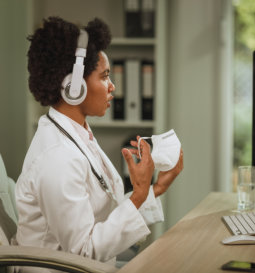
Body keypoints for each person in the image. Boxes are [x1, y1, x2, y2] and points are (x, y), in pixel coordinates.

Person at [15, 16, 183, 269]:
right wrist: (138, 195)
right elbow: (83, 253)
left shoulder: (76, 134)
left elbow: (98, 221)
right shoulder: (57, 157)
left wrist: (154, 189)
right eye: (104, 76)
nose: (112, 86)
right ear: (73, 87)